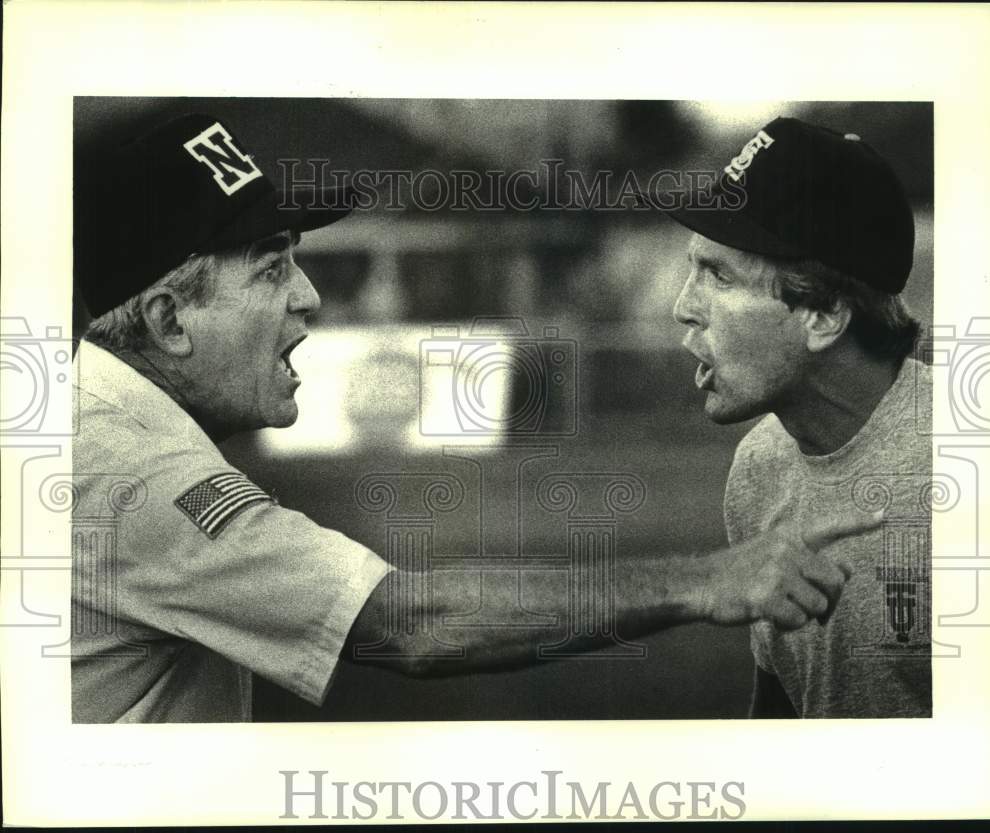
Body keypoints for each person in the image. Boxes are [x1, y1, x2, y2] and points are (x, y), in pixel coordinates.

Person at [71, 112, 879, 722]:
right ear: (170, 320)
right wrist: (711, 578)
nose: (308, 297)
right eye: (270, 268)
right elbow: (409, 623)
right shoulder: (133, 476)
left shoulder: (98, 430)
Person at [669, 117, 932, 718]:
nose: (684, 307)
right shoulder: (759, 467)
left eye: (718, 274)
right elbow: (785, 703)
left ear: (824, 316)